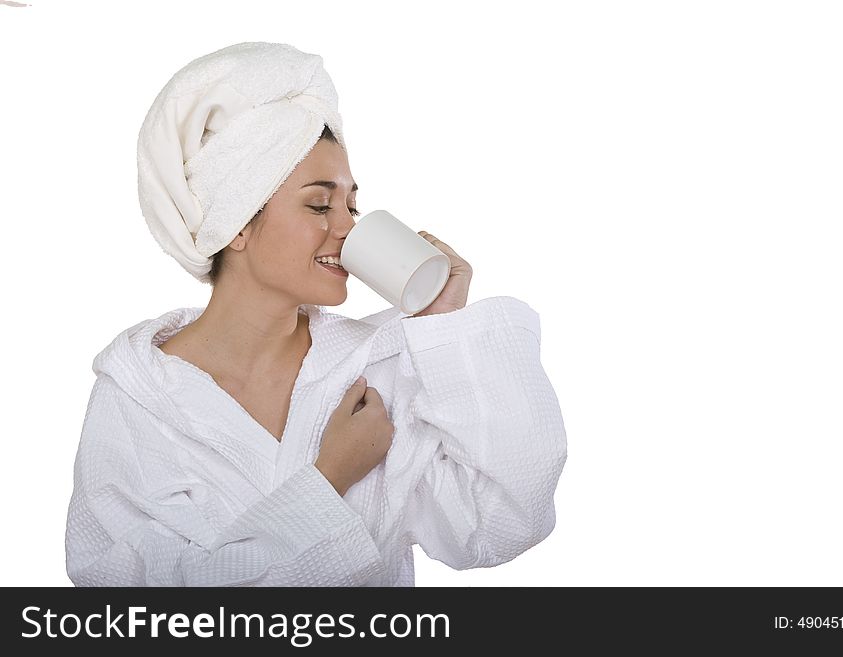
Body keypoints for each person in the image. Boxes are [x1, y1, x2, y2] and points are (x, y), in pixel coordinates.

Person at [64, 42, 567, 586]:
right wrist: (329, 480)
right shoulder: (140, 401)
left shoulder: (374, 370)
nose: (349, 226)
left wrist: (446, 327)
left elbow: (500, 524)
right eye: (319, 204)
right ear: (233, 224)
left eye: (352, 204)